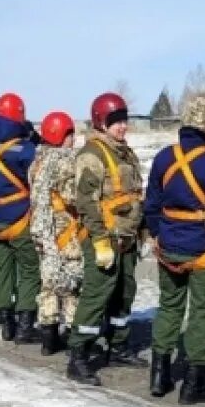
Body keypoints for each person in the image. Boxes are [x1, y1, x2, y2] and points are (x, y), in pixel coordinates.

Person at [144, 95, 205, 403]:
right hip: (201, 248)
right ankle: (194, 384)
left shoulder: (164, 157)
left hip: (168, 245)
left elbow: (151, 203)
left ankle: (159, 377)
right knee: (203, 312)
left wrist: (157, 233)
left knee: (169, 307)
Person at [66, 92, 148, 385]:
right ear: (102, 122)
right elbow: (86, 202)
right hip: (105, 237)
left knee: (124, 293)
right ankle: (78, 354)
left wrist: (142, 230)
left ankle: (118, 346)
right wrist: (100, 240)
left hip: (126, 237)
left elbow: (134, 195)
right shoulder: (92, 154)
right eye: (116, 121)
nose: (122, 126)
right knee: (97, 294)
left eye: (124, 120)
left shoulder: (124, 152)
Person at [0, 93, 41, 343]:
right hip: (20, 218)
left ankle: (6, 323)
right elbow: (36, 183)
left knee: (1, 271)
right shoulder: (26, 150)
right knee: (28, 270)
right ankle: (25, 326)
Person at [29, 110, 84, 355]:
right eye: (71, 134)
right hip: (64, 232)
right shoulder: (66, 161)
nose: (73, 140)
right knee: (72, 283)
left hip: (41, 232)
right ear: (64, 135)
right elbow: (73, 196)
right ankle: (72, 335)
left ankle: (48, 339)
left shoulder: (36, 162)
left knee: (48, 284)